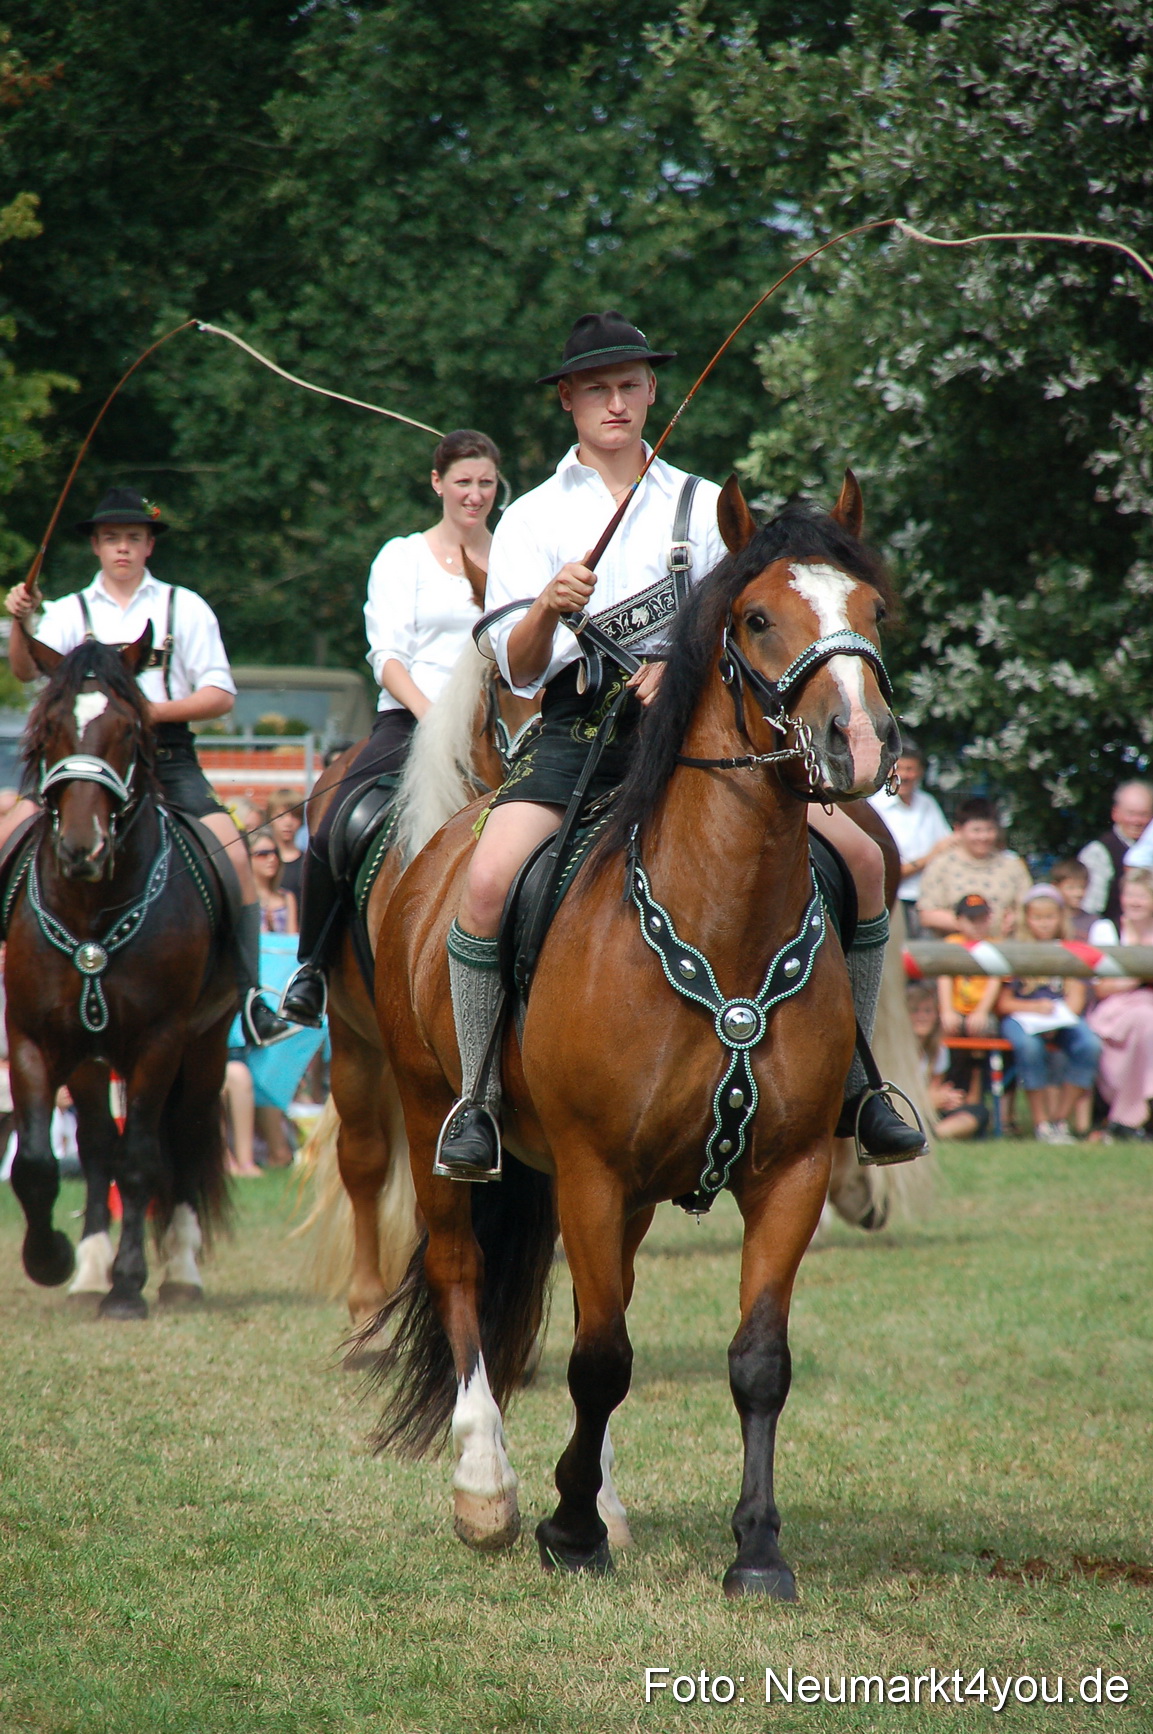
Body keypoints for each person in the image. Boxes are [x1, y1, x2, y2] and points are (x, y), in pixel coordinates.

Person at [436, 308, 924, 1177]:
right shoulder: (532, 519)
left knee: (865, 863)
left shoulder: (706, 506)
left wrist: (680, 668)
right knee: (484, 879)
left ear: (652, 391)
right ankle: (476, 1096)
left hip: (705, 747)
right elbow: (513, 671)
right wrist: (549, 607)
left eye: (629, 386)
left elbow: (753, 628)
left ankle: (856, 1080)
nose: (615, 403)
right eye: (596, 390)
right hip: (578, 736)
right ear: (567, 400)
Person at [4, 486, 288, 1046]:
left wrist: (140, 713)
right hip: (80, 761)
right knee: (8, 832)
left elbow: (219, 694)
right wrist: (20, 621)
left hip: (164, 755)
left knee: (229, 845)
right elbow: (23, 672)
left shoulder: (185, 607)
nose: (123, 549)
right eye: (112, 539)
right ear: (96, 546)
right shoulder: (67, 612)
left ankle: (253, 994)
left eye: (134, 538)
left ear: (149, 545)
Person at [281, 429, 502, 1026]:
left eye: (485, 482)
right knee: (335, 825)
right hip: (412, 720)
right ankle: (311, 968)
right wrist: (438, 724)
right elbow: (388, 656)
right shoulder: (401, 556)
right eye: (463, 482)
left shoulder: (514, 552)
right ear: (438, 484)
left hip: (501, 724)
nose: (475, 495)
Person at [996, 885, 1102, 1143]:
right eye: (1037, 917)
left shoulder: (1073, 949)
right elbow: (1003, 1004)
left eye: (1050, 917)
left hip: (1061, 1017)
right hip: (1022, 1017)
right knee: (1029, 1047)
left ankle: (1060, 1119)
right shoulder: (1016, 951)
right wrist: (1036, 1010)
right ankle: (1040, 1121)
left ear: (1061, 918)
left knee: (1089, 1045)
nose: (1044, 924)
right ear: (1026, 918)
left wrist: (1058, 1019)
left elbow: (1077, 997)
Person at [1086, 866, 1153, 1139]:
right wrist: (1138, 977)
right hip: (1114, 1008)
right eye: (1130, 895)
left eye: (1143, 896)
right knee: (1145, 1021)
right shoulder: (1106, 929)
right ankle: (1135, 1110)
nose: (1135, 902)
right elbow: (1101, 987)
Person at [867, 736, 952, 938]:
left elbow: (948, 845)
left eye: (910, 769)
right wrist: (926, 859)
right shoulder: (874, 807)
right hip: (892, 900)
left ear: (920, 772)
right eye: (899, 768)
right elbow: (886, 868)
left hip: (929, 900)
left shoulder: (927, 803)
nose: (904, 775)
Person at [916, 795, 1032, 937]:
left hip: (1004, 947)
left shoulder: (1012, 865)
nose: (983, 837)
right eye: (976, 830)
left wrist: (1015, 919)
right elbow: (927, 915)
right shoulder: (941, 865)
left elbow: (1029, 907)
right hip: (954, 950)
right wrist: (970, 924)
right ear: (958, 830)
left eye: (989, 830)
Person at [937, 893, 1003, 1119]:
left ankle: (975, 1098)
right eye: (971, 919)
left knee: (983, 1031)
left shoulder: (996, 946)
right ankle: (944, 1094)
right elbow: (944, 977)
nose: (977, 925)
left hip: (981, 1012)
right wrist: (946, 1010)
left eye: (982, 919)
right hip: (955, 1010)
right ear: (958, 920)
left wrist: (982, 1011)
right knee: (943, 1034)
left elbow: (995, 980)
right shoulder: (951, 944)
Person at [906, 981, 987, 1139]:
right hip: (900, 1106)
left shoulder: (939, 1049)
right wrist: (930, 1101)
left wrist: (945, 1098)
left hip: (928, 1108)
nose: (922, 1017)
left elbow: (935, 1086)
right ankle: (924, 1133)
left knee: (977, 1112)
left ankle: (932, 1134)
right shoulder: (897, 1049)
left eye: (928, 1011)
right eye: (915, 1011)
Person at [1078, 780, 1153, 926]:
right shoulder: (1099, 852)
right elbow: (1091, 910)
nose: (1137, 821)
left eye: (1143, 814)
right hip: (1113, 940)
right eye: (1131, 813)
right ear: (1115, 813)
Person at [249, 825, 298, 934]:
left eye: (275, 852)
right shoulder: (244, 899)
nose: (272, 858)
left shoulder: (287, 897)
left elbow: (292, 939)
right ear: (249, 858)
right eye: (263, 854)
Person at [266, 788, 304, 902]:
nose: (288, 822)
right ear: (270, 819)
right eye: (281, 816)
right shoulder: (262, 860)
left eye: (295, 816)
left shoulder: (307, 864)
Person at [1049, 858, 1094, 941]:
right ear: (1055, 886)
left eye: (1082, 887)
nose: (1078, 893)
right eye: (1071, 888)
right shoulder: (1049, 922)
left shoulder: (1094, 922)